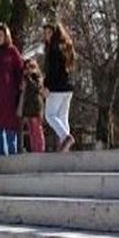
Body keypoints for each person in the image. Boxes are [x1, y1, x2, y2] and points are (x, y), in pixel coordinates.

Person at [0, 23, 23, 156]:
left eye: (1, 35)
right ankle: (0, 155)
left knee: (10, 127)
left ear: (6, 36)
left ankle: (12, 156)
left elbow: (20, 69)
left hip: (10, 95)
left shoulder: (12, 51)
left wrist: (19, 88)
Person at [42, 22, 76, 152]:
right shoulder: (66, 47)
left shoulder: (53, 49)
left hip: (57, 88)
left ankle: (65, 137)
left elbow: (53, 71)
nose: (46, 35)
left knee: (50, 115)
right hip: (68, 88)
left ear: (55, 33)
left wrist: (46, 86)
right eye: (45, 33)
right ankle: (65, 146)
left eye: (49, 32)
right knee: (62, 117)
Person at [20, 58, 46, 152]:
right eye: (26, 68)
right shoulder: (24, 79)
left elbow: (36, 88)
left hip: (35, 107)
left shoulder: (37, 77)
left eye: (31, 67)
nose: (28, 70)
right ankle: (34, 149)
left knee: (37, 130)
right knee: (31, 131)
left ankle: (40, 149)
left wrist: (28, 78)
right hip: (28, 108)